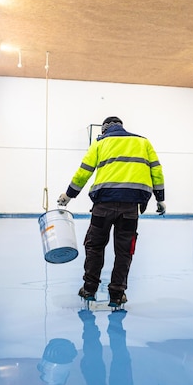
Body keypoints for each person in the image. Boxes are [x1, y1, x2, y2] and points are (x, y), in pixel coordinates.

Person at [57, 115, 165, 306]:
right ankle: (117, 294)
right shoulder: (143, 142)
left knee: (95, 247)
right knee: (124, 251)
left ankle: (89, 289)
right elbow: (156, 171)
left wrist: (68, 195)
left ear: (104, 129)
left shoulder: (100, 143)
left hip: (103, 206)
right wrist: (160, 199)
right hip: (130, 208)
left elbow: (83, 171)